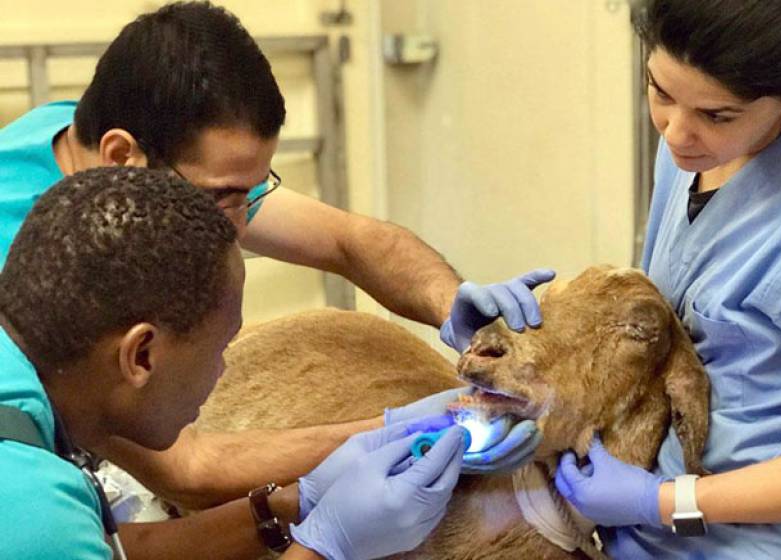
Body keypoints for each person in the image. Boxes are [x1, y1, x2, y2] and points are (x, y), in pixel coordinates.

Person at [0, 0, 549, 550]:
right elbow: (187, 466)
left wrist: (451, 302)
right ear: (122, 157)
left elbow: (348, 240)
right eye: (224, 196)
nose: (239, 222)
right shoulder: (36, 499)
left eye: (251, 192)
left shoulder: (95, 151)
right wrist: (406, 432)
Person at [0, 166, 467, 560]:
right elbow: (59, 539)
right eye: (219, 347)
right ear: (141, 356)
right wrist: (326, 546)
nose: (223, 370)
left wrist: (293, 503)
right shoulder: (36, 516)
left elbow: (114, 547)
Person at [551, 1, 781, 558]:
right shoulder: (694, 154)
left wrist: (668, 501)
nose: (677, 132)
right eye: (660, 91)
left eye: (717, 114)